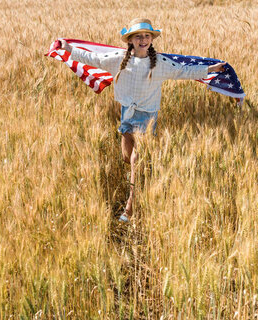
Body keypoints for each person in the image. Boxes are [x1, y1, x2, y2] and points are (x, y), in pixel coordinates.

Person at [59, 18, 226, 222]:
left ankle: (129, 207)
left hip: (147, 117)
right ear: (130, 40)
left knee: (136, 161)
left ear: (152, 39)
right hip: (127, 115)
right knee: (126, 158)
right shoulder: (118, 59)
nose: (143, 39)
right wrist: (68, 48)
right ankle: (139, 181)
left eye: (147, 36)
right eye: (138, 36)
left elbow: (184, 71)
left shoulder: (160, 63)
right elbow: (92, 58)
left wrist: (210, 69)